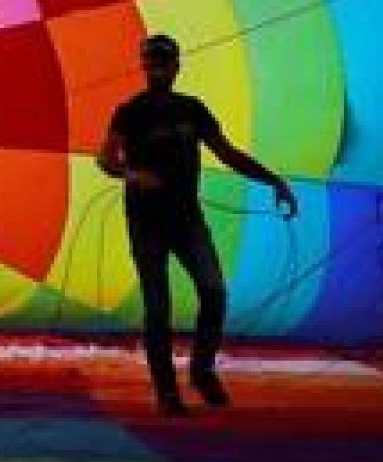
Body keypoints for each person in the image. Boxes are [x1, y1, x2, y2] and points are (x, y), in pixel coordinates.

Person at [96, 33, 297, 417]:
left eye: (163, 62)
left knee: (214, 290)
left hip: (186, 218)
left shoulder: (193, 110)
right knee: (158, 307)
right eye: (151, 62)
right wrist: (131, 174)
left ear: (175, 66)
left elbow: (227, 153)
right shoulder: (130, 112)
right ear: (144, 67)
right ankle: (167, 393)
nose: (157, 68)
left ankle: (202, 372)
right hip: (146, 221)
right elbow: (105, 158)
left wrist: (274, 180)